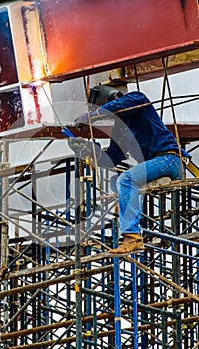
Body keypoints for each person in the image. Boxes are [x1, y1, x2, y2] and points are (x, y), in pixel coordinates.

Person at [69, 88, 191, 254]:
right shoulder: (120, 130)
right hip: (157, 164)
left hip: (169, 159)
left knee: (126, 180)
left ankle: (132, 236)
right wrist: (89, 149)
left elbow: (119, 105)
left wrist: (92, 115)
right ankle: (131, 222)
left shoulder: (137, 99)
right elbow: (111, 159)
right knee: (116, 182)